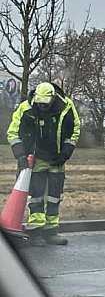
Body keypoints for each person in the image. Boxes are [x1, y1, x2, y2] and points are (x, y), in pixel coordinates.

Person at [7, 82, 80, 246]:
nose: (42, 106)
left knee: (54, 196)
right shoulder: (26, 108)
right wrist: (20, 155)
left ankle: (50, 231)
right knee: (37, 195)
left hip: (56, 158)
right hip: (36, 158)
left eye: (45, 104)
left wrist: (65, 154)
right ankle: (35, 232)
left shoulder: (67, 107)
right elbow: (13, 133)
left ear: (53, 98)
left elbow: (74, 131)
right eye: (40, 103)